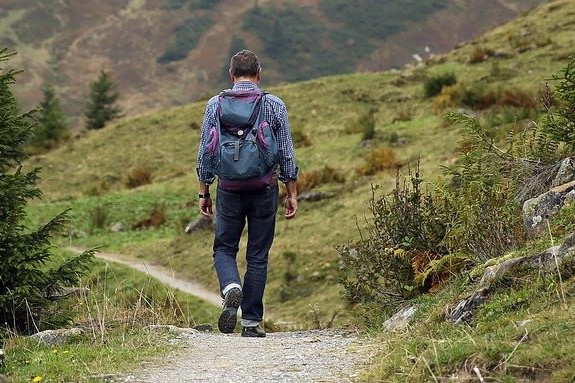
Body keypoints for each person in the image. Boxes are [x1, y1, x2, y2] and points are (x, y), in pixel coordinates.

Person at [196, 49, 298, 338]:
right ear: (259, 74)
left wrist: (204, 191)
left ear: (231, 76)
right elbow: (287, 152)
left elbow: (205, 151)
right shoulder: (274, 104)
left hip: (228, 188)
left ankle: (231, 287)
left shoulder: (215, 105)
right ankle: (251, 322)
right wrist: (291, 191)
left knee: (224, 248)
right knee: (257, 254)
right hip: (264, 187)